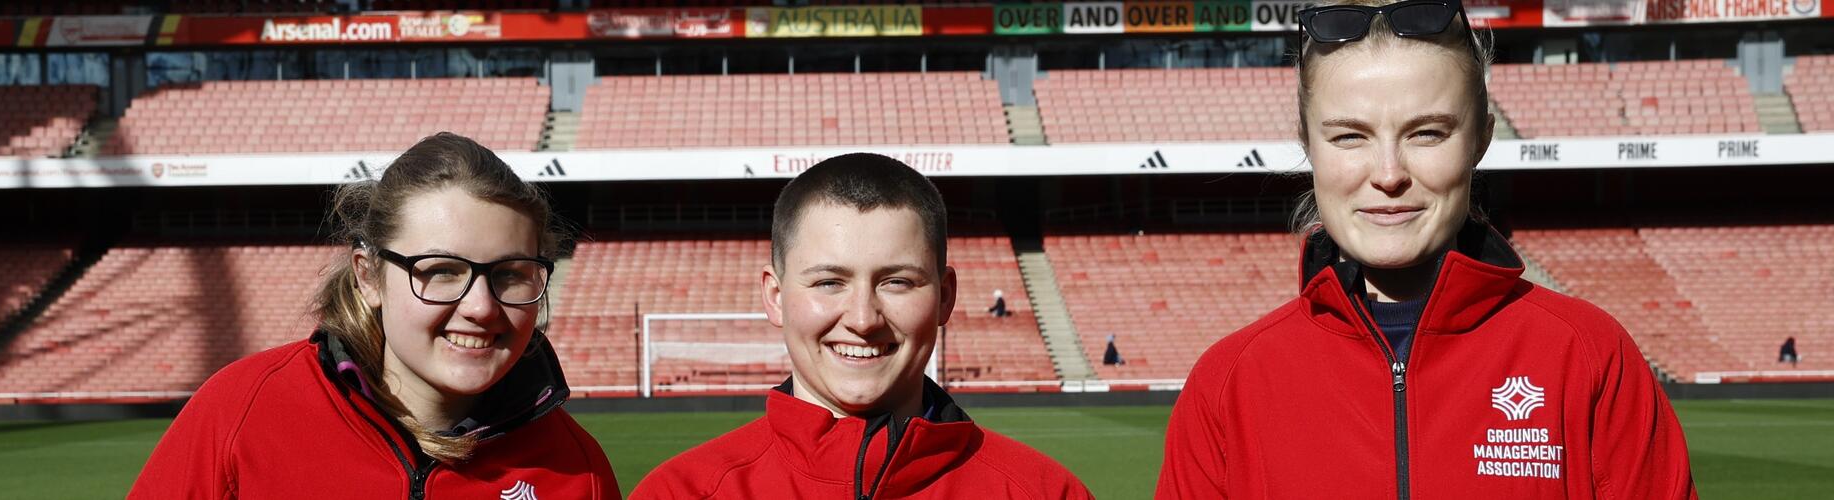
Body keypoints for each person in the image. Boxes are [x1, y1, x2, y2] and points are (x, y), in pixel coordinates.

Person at [1156, 1, 1696, 497]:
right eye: (1349, 136)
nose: (1389, 175)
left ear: (1481, 138)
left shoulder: (1589, 356)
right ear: (1307, 143)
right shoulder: (1226, 386)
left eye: (1427, 133)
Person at [130, 133, 619, 499]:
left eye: (511, 274)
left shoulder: (579, 470)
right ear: (368, 276)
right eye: (442, 271)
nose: (481, 307)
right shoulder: (240, 412)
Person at [632, 153, 1092, 499]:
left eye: (897, 282)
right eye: (830, 282)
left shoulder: (1045, 491)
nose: (862, 319)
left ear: (945, 297)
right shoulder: (682, 492)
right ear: (775, 297)